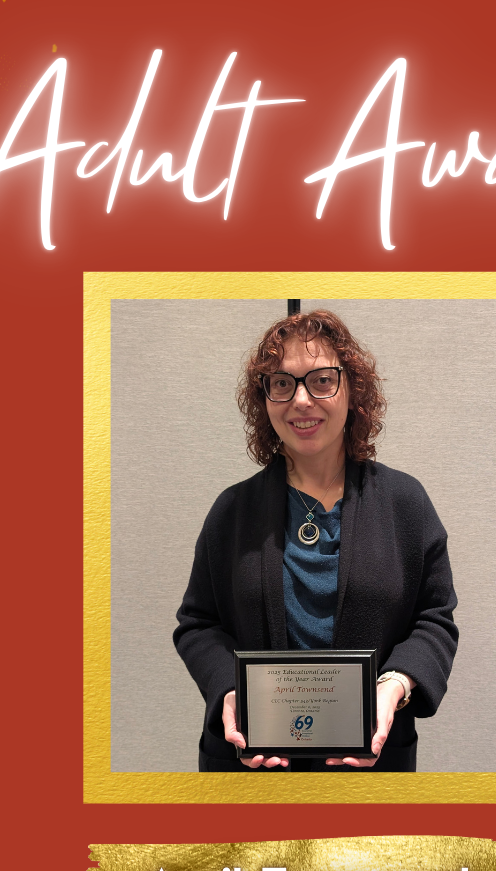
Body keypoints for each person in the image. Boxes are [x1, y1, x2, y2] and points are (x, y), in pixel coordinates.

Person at [174, 310, 458, 772]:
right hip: (249, 767)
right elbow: (198, 624)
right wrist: (229, 690)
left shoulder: (405, 503)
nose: (301, 400)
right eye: (282, 384)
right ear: (265, 400)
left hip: (372, 767)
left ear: (353, 389)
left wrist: (394, 686)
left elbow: (435, 619)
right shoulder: (232, 511)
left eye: (322, 380)